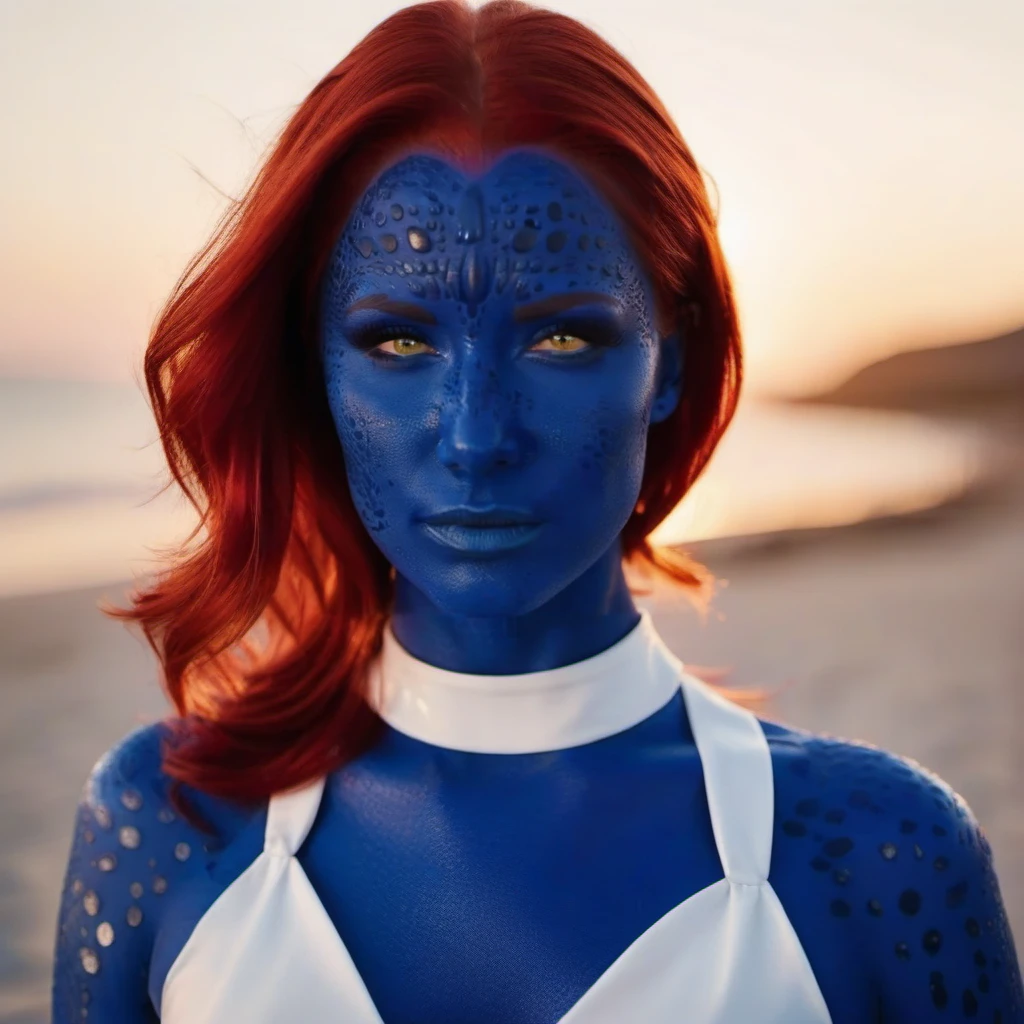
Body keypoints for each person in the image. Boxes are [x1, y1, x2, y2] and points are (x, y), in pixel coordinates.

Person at [52, 1, 1022, 1021]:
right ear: (311, 369)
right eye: (396, 341)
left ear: (671, 358)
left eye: (562, 338)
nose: (476, 436)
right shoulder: (167, 822)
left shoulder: (875, 858)